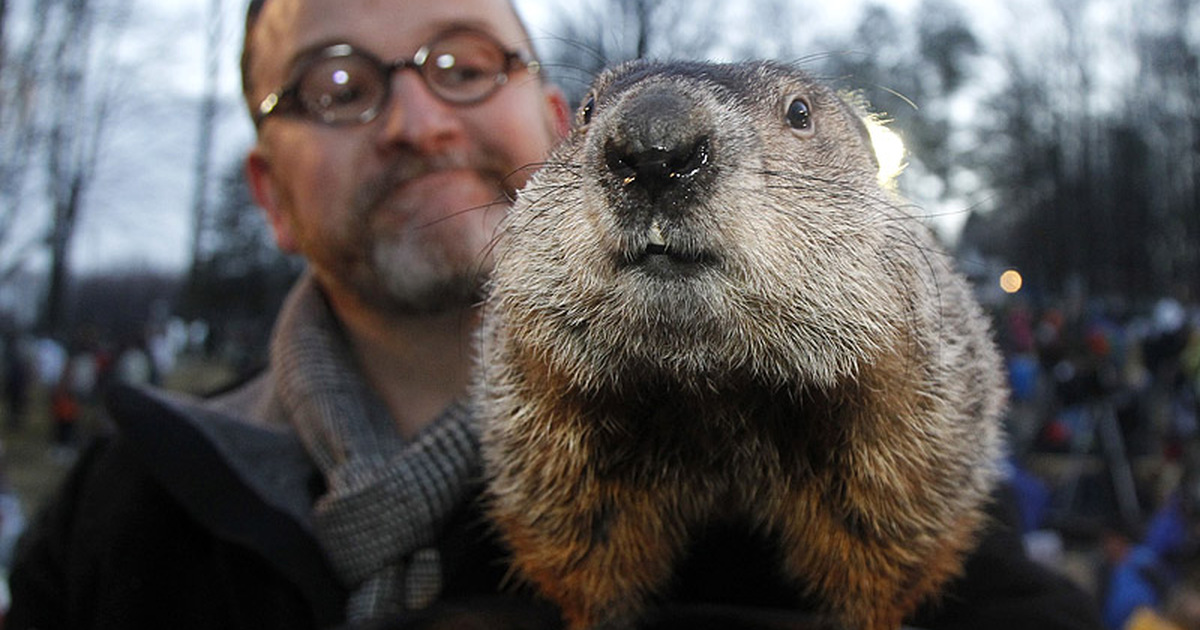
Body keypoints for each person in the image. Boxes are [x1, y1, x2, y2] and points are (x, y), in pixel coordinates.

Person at [6, 0, 1105, 628]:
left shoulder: (823, 451)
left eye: (465, 62)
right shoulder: (119, 515)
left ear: (542, 127)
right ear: (268, 195)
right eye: (337, 86)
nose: (417, 120)